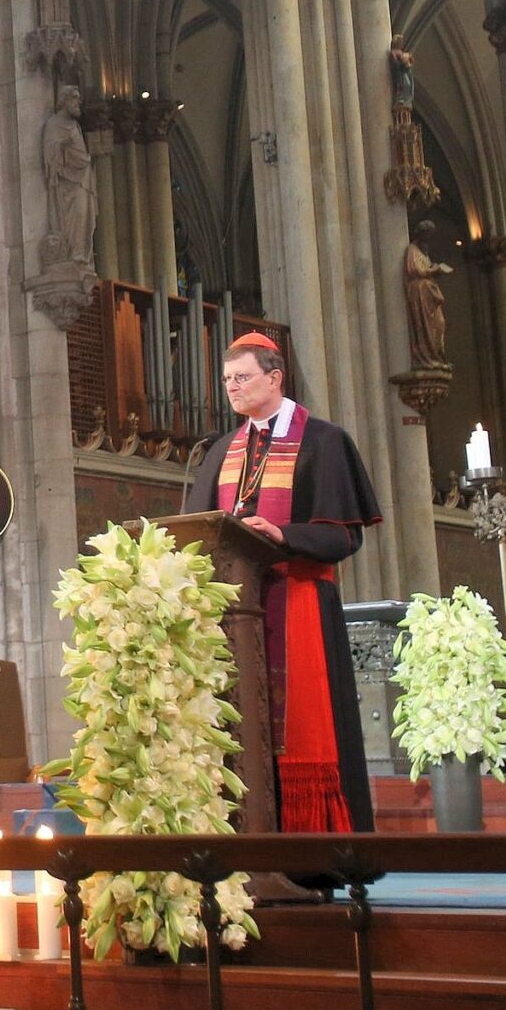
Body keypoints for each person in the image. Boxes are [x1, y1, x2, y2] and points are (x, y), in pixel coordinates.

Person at [182, 331, 379, 833]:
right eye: (227, 380)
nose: (232, 388)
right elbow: (196, 531)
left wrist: (283, 535)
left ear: (274, 377)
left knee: (306, 731)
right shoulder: (221, 450)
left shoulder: (323, 442)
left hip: (299, 604)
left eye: (242, 377)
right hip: (233, 614)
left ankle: (317, 855)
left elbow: (343, 537)